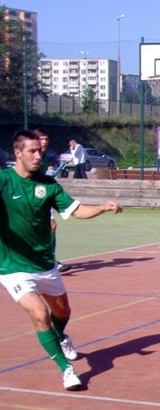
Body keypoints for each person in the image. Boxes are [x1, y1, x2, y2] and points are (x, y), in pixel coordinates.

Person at [0, 130, 123, 391]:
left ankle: (61, 337)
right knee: (40, 314)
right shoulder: (4, 181)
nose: (38, 155)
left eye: (40, 150)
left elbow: (76, 211)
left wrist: (102, 207)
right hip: (13, 268)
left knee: (63, 312)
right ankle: (66, 369)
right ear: (18, 153)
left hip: (45, 265)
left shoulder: (49, 185)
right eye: (32, 151)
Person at [33, 128, 71, 273]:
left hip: (42, 195)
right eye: (41, 139)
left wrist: (50, 171)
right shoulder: (30, 155)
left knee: (52, 226)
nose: (44, 142)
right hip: (29, 196)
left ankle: (51, 259)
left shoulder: (44, 156)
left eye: (46, 139)